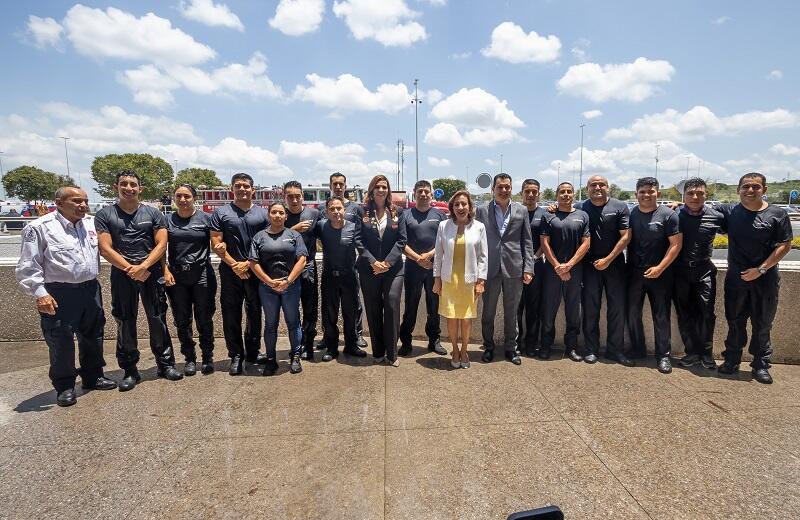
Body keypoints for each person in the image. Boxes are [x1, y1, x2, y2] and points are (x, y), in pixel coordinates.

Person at [16, 186, 117, 406]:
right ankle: (65, 386)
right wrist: (40, 293)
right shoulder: (39, 228)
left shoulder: (91, 224)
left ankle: (93, 376)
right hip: (58, 291)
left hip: (90, 288)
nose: (83, 205)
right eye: (76, 201)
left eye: (85, 201)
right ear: (59, 203)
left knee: (93, 333)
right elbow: (27, 266)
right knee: (60, 339)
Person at [95, 170, 182, 391]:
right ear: (116, 186)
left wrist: (144, 267)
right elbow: (105, 248)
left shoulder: (153, 214)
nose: (128, 188)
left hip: (151, 273)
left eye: (133, 184)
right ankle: (130, 370)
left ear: (140, 188)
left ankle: (165, 363)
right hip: (122, 274)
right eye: (123, 183)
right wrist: (130, 269)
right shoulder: (105, 215)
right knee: (125, 320)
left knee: (158, 318)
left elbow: (161, 244)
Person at [717, 172, 792, 384]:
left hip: (765, 279)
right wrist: (677, 204)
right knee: (735, 322)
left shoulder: (777, 214)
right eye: (746, 187)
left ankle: (760, 365)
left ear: (764, 190)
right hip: (736, 279)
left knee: (763, 324)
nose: (750, 191)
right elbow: (699, 209)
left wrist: (760, 269)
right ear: (738, 190)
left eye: (756, 187)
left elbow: (785, 246)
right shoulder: (729, 211)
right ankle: (731, 360)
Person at [210, 173, 268, 375]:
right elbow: (216, 242)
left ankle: (252, 351)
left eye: (246, 186)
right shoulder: (221, 213)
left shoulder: (262, 214)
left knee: (254, 313)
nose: (242, 189)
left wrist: (249, 264)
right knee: (231, 314)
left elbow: (266, 243)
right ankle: (235, 354)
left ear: (253, 190)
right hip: (230, 271)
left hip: (254, 271)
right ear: (231, 189)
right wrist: (235, 265)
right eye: (238, 186)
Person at [475, 173, 534, 365]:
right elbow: (475, 240)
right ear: (493, 189)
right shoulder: (482, 210)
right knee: (488, 312)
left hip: (514, 268)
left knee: (512, 312)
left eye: (507, 187)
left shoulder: (521, 210)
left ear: (511, 188)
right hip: (489, 269)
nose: (504, 190)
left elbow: (527, 241)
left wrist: (529, 268)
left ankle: (511, 348)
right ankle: (489, 347)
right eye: (500, 187)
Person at [626, 177, 682, 374]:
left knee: (661, 315)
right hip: (634, 272)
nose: (646, 195)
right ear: (636, 194)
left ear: (658, 193)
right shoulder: (631, 214)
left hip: (660, 274)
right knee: (632, 313)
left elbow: (676, 245)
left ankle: (663, 355)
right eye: (642, 192)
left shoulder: (668, 215)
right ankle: (637, 349)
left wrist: (660, 267)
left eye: (650, 191)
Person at [162, 184, 217, 376]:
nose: (183, 199)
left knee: (204, 317)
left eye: (187, 196)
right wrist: (165, 270)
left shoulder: (206, 219)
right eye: (179, 196)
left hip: (202, 273)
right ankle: (190, 358)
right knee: (182, 319)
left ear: (194, 198)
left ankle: (207, 357)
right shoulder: (166, 220)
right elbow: (160, 248)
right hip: (177, 275)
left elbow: (218, 241)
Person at [579, 175, 633, 366]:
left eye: (602, 184)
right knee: (590, 309)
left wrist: (608, 259)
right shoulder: (581, 208)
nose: (598, 187)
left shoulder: (620, 206)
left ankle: (615, 351)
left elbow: (626, 237)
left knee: (617, 309)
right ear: (587, 189)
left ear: (608, 188)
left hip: (615, 266)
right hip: (589, 267)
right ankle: (591, 350)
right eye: (593, 185)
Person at [671, 179, 725, 370]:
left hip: (704, 270)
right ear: (683, 195)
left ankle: (707, 353)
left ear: (706, 194)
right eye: (691, 193)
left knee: (707, 313)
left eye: (700, 193)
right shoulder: (674, 215)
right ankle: (691, 352)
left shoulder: (717, 216)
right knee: (684, 313)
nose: (695, 197)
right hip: (679, 270)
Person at [249, 202, 308, 375]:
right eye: (273, 212)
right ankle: (270, 360)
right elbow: (253, 262)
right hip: (267, 288)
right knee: (270, 324)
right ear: (269, 215)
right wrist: (268, 281)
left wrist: (288, 281)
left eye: (281, 212)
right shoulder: (259, 237)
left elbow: (302, 260)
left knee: (293, 322)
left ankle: (295, 357)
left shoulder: (294, 235)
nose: (277, 215)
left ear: (285, 216)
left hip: (291, 286)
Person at [433, 191, 488, 368]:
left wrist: (481, 281)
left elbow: (483, 256)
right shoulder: (444, 226)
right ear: (452, 208)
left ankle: (464, 350)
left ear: (470, 207)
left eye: (464, 204)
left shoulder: (479, 227)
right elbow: (438, 254)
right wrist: (437, 279)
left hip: (469, 280)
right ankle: (454, 350)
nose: (460, 207)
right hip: (449, 279)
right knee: (451, 317)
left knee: (465, 319)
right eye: (457, 204)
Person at [358, 175, 406, 366]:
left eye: (384, 186)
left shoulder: (397, 212)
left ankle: (392, 354)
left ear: (388, 190)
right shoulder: (362, 212)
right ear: (371, 189)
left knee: (392, 306)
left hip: (393, 269)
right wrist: (372, 262)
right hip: (368, 269)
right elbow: (357, 240)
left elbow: (402, 240)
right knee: (373, 309)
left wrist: (386, 263)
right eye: (377, 186)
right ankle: (377, 352)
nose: (381, 190)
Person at [317, 172, 368, 350]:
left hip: (350, 270)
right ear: (330, 186)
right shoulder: (321, 213)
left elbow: (365, 239)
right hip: (330, 271)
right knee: (329, 310)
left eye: (341, 184)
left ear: (345, 185)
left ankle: (355, 338)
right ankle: (329, 341)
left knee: (352, 308)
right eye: (335, 184)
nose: (338, 187)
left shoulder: (356, 209)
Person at [539, 182, 590, 360]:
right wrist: (558, 267)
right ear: (557, 194)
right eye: (562, 192)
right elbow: (544, 243)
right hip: (552, 270)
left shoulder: (583, 215)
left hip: (575, 271)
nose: (566, 195)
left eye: (569, 192)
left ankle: (571, 348)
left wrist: (569, 265)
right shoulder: (548, 216)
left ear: (574, 195)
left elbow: (586, 243)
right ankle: (545, 345)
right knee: (548, 309)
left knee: (573, 310)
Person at [399, 180, 447, 356]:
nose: (424, 194)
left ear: (431, 194)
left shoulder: (439, 215)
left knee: (434, 306)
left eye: (427, 191)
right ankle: (405, 341)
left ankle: (434, 340)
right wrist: (418, 258)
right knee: (410, 305)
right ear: (414, 192)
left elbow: (444, 241)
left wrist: (429, 256)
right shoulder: (406, 214)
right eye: (420, 191)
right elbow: (402, 242)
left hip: (434, 269)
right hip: (412, 267)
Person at [282, 181, 321, 360]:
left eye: (298, 196)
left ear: (303, 197)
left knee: (310, 309)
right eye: (290, 196)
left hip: (307, 269)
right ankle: (295, 344)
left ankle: (308, 345)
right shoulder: (280, 214)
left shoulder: (313, 213)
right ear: (285, 198)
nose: (295, 199)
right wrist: (293, 230)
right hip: (285, 271)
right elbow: (272, 237)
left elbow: (326, 234)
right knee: (291, 311)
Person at [516, 179, 546, 357]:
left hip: (536, 265)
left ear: (539, 194)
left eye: (534, 191)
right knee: (517, 308)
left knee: (534, 308)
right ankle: (516, 342)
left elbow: (546, 241)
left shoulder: (545, 214)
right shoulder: (515, 213)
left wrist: (534, 257)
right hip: (516, 267)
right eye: (527, 191)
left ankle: (531, 343)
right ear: (522, 193)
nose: (531, 194)